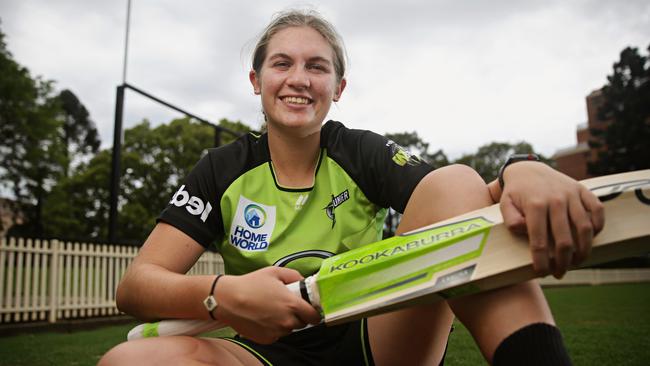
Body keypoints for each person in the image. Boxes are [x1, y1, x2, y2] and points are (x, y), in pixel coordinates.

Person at [99, 9, 603, 366]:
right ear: (256, 80)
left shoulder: (360, 151)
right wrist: (220, 293)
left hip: (377, 336)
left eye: (317, 66)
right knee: (128, 360)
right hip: (262, 350)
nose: (299, 78)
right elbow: (137, 285)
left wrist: (521, 169)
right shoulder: (220, 169)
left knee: (453, 178)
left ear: (338, 88)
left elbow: (456, 200)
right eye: (282, 63)